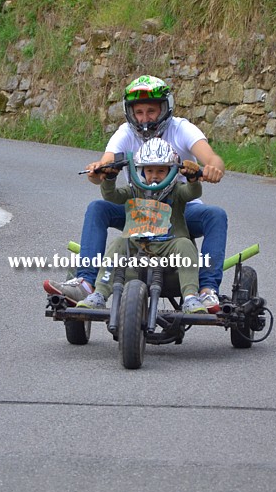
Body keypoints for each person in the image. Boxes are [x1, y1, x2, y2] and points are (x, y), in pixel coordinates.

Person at [44, 74, 227, 312]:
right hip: (138, 209)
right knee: (97, 208)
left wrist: (213, 169)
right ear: (130, 112)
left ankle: (206, 290)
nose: (144, 118)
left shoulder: (181, 128)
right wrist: (99, 171)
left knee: (216, 215)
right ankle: (86, 282)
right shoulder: (126, 133)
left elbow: (212, 158)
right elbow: (105, 162)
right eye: (138, 112)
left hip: (180, 208)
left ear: (165, 108)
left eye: (151, 111)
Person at [78, 138, 210, 314]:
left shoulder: (177, 189)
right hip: (137, 244)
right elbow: (112, 197)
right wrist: (110, 178)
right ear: (141, 170)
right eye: (149, 170)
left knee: (185, 244)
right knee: (118, 243)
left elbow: (192, 192)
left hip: (168, 244)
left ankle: (191, 297)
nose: (154, 175)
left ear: (171, 171)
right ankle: (99, 294)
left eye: (161, 170)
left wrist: (193, 179)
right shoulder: (134, 190)